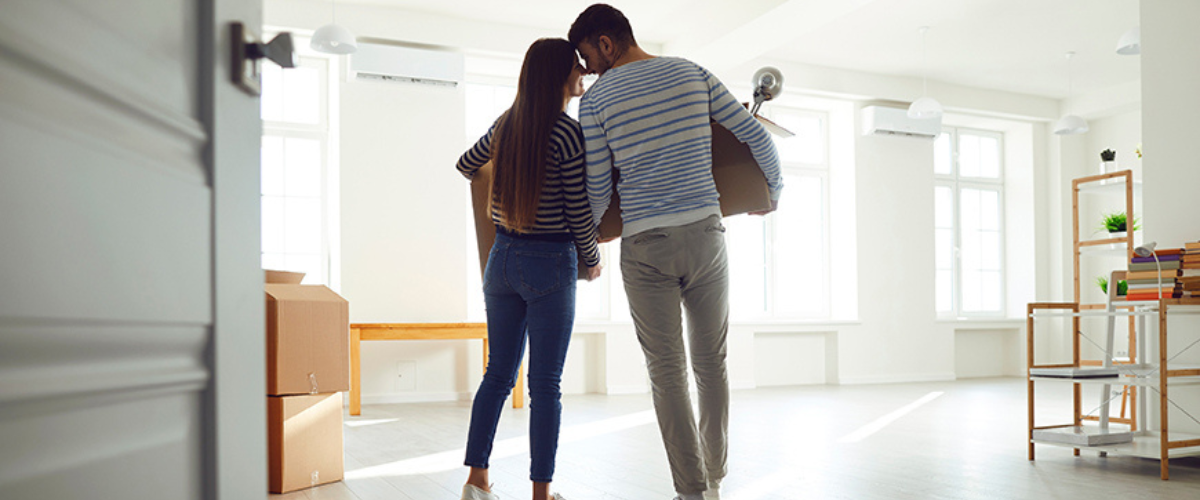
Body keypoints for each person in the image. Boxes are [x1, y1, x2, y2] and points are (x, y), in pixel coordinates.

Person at [569, 5, 783, 500]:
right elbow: (756, 134)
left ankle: (691, 492)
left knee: (667, 375)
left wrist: (593, 235)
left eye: (587, 56)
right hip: (706, 235)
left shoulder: (597, 102)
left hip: (646, 247)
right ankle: (715, 477)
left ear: (605, 42)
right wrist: (772, 193)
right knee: (712, 363)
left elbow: (598, 184)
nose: (588, 70)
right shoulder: (692, 72)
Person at [454, 37, 602, 500]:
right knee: (545, 385)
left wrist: (504, 197)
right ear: (559, 75)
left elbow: (466, 165)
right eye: (577, 66)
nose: (583, 72)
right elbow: (578, 209)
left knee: (497, 375)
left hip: (501, 259)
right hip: (550, 262)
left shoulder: (506, 125)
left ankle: (477, 481)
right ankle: (542, 493)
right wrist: (592, 259)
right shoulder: (565, 132)